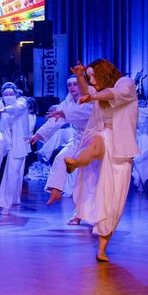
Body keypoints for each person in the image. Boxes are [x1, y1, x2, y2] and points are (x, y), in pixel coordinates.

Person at [63, 59, 139, 262]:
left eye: (94, 76)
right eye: (89, 77)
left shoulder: (126, 83)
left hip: (121, 147)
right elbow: (87, 92)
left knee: (113, 202)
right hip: (103, 133)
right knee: (94, 147)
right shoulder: (96, 92)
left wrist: (93, 95)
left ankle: (102, 249)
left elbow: (114, 93)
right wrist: (80, 77)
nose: (92, 81)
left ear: (104, 73)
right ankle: (75, 162)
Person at [29, 76, 93, 208]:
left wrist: (64, 113)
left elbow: (84, 112)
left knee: (89, 175)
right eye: (69, 85)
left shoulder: (89, 98)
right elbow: (55, 120)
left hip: (93, 137)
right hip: (78, 138)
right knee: (60, 158)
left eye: (75, 84)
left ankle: (87, 207)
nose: (72, 88)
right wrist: (38, 134)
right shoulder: (67, 102)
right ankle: (56, 190)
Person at [0, 83, 31, 214]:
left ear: (16, 94)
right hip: (5, 137)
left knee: (12, 174)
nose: (8, 96)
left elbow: (17, 108)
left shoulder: (21, 101)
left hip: (19, 142)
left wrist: (4, 110)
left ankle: (6, 204)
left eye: (11, 94)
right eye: (5, 94)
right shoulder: (0, 103)